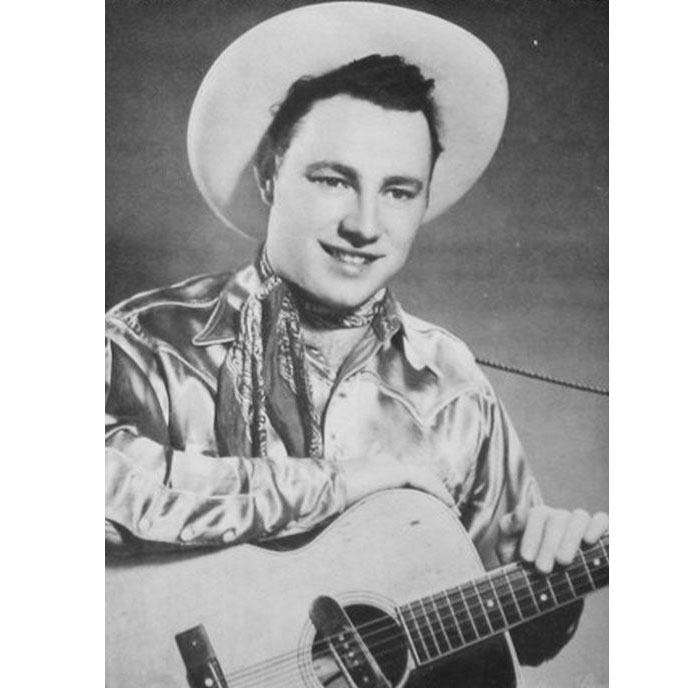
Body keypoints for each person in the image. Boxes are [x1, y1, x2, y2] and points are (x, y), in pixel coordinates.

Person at [105, 1, 607, 680]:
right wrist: (335, 486)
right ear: (269, 175)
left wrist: (553, 582)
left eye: (398, 192)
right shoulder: (145, 343)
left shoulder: (454, 386)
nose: (366, 226)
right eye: (334, 180)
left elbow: (512, 640)